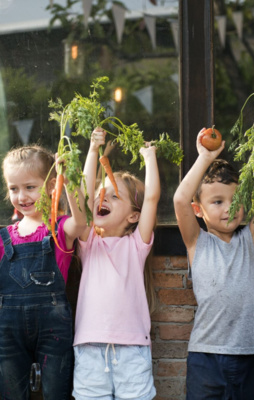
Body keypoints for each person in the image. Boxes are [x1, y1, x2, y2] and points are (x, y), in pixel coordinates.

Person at [173, 126, 254, 400]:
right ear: (199, 210)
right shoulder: (197, 242)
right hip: (206, 358)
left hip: (251, 355)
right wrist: (205, 158)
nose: (229, 208)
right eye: (218, 201)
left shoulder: (249, 240)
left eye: (236, 200)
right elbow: (180, 199)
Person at [72, 128, 159, 400]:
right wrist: (92, 150)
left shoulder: (136, 246)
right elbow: (83, 201)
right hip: (89, 348)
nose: (103, 199)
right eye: (102, 194)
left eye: (113, 196)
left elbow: (153, 199)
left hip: (132, 349)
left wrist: (150, 158)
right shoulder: (89, 243)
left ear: (134, 216)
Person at [0, 145, 87, 400]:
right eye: (13, 188)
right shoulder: (4, 237)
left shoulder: (58, 229)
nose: (21, 196)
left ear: (50, 186)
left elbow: (81, 221)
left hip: (54, 331)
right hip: (7, 330)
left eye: (30, 187)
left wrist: (68, 177)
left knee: (56, 393)